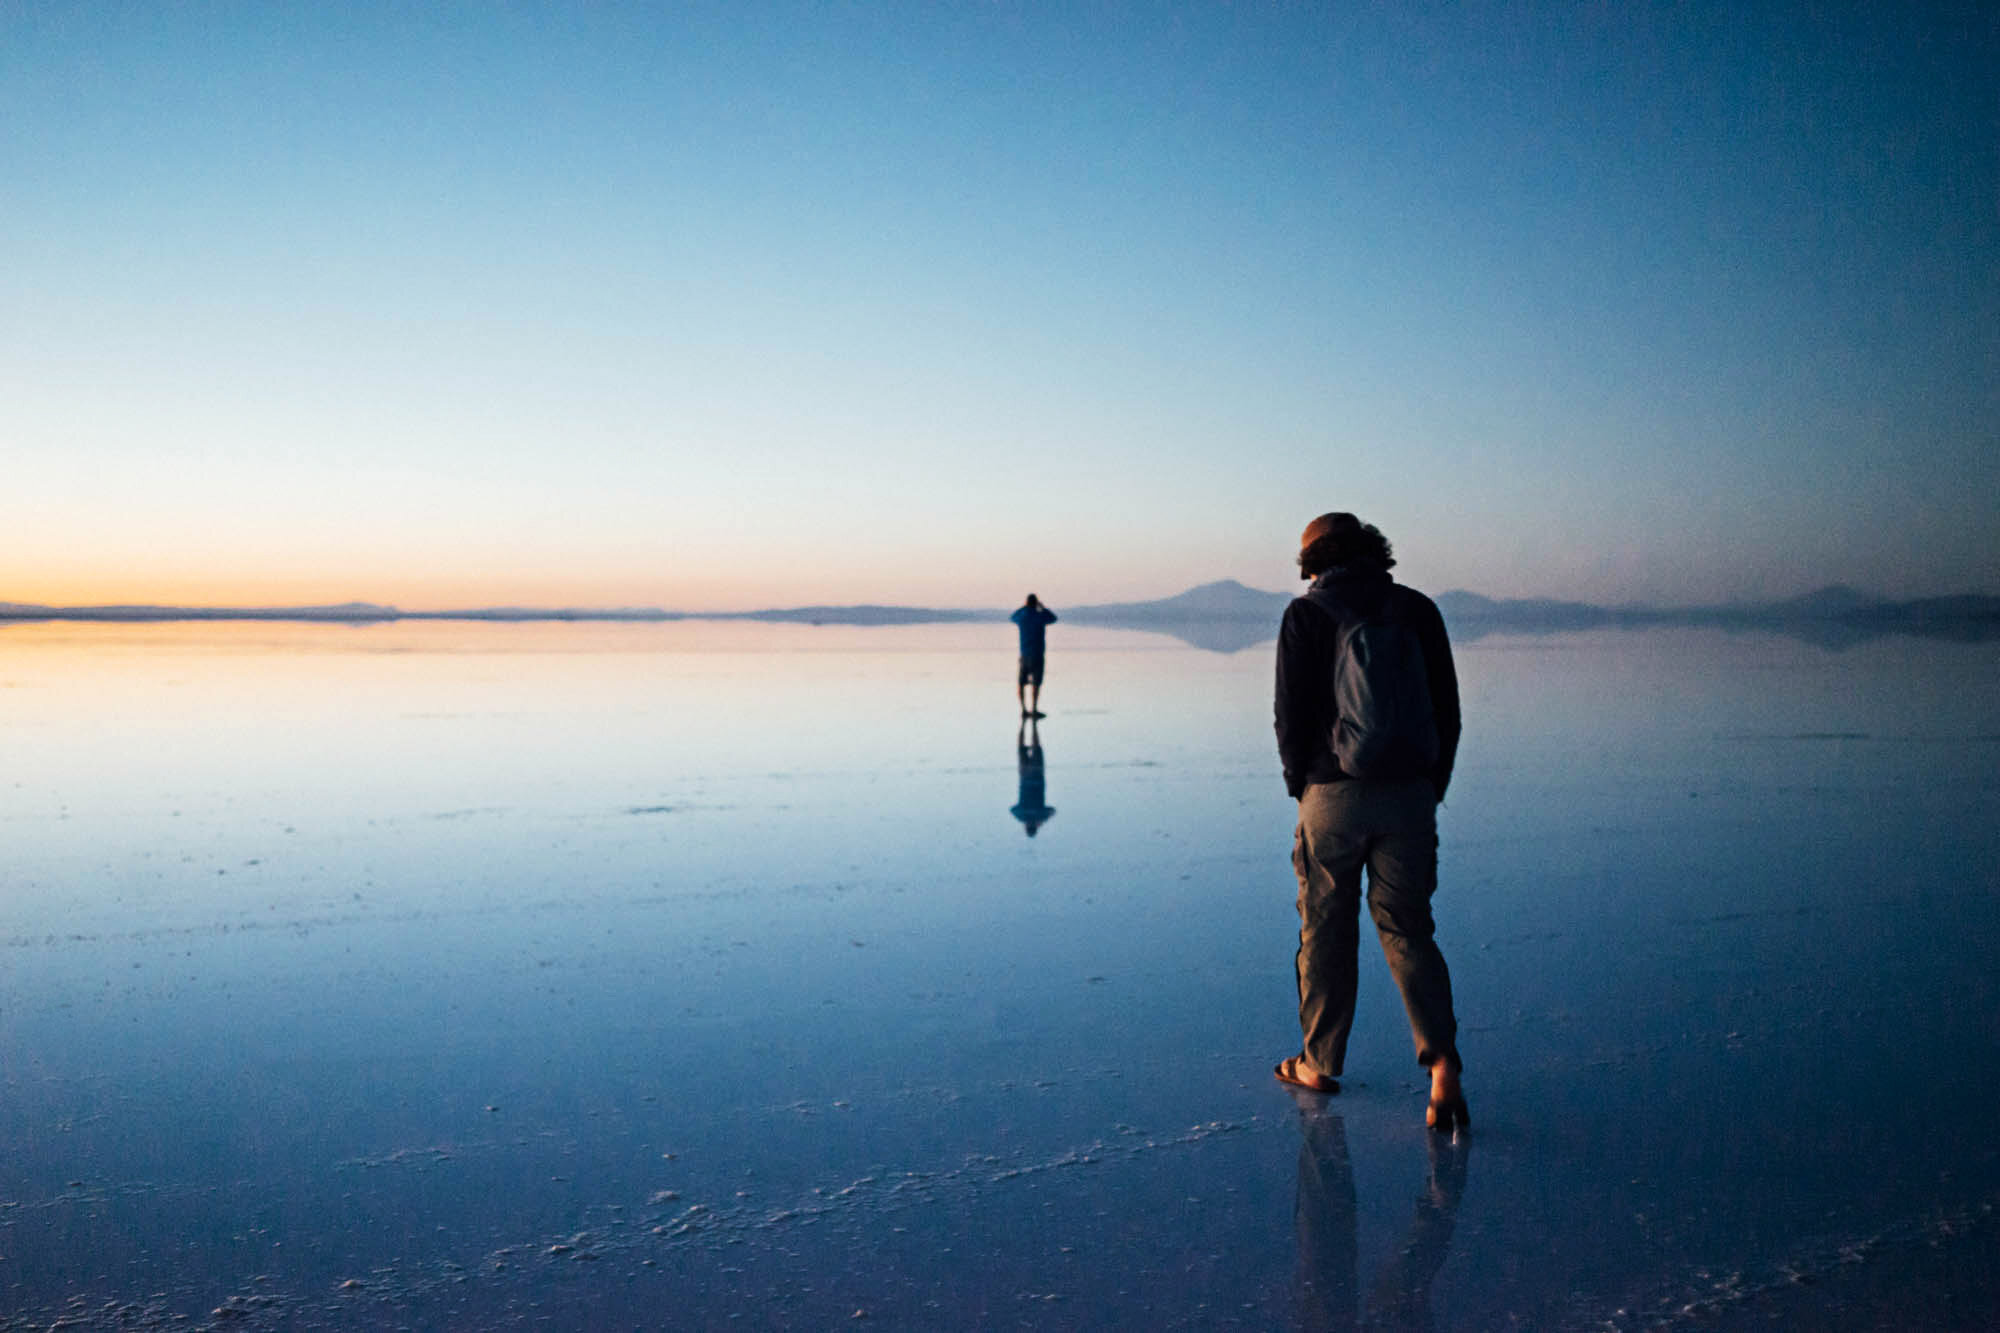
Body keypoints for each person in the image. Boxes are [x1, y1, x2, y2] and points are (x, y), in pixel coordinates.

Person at [1273, 512, 1469, 1133]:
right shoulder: (1419, 609)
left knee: (1325, 929)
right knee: (1409, 928)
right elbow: (1448, 712)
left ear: (1312, 558)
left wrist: (1301, 788)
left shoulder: (1307, 614)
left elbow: (1290, 718)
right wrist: (1430, 787)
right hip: (1409, 793)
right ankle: (1441, 1064)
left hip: (1333, 793)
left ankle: (1317, 1062)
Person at [1009, 593, 1058, 718]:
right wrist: (1042, 607)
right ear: (1036, 603)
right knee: (1036, 683)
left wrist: (1023, 607)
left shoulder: (1022, 617)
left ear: (1027, 602)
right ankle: (1034, 709)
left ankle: (1024, 710)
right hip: (1037, 654)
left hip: (1025, 655)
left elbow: (1012, 616)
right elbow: (1053, 618)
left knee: (1021, 683)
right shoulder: (1039, 616)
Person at [1010, 716, 1055, 836]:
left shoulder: (1039, 815)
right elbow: (1012, 810)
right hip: (1027, 776)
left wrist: (1042, 821)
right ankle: (1029, 725)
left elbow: (1052, 811)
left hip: (1035, 776)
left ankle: (1029, 725)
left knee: (1031, 748)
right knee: (1024, 748)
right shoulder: (1022, 816)